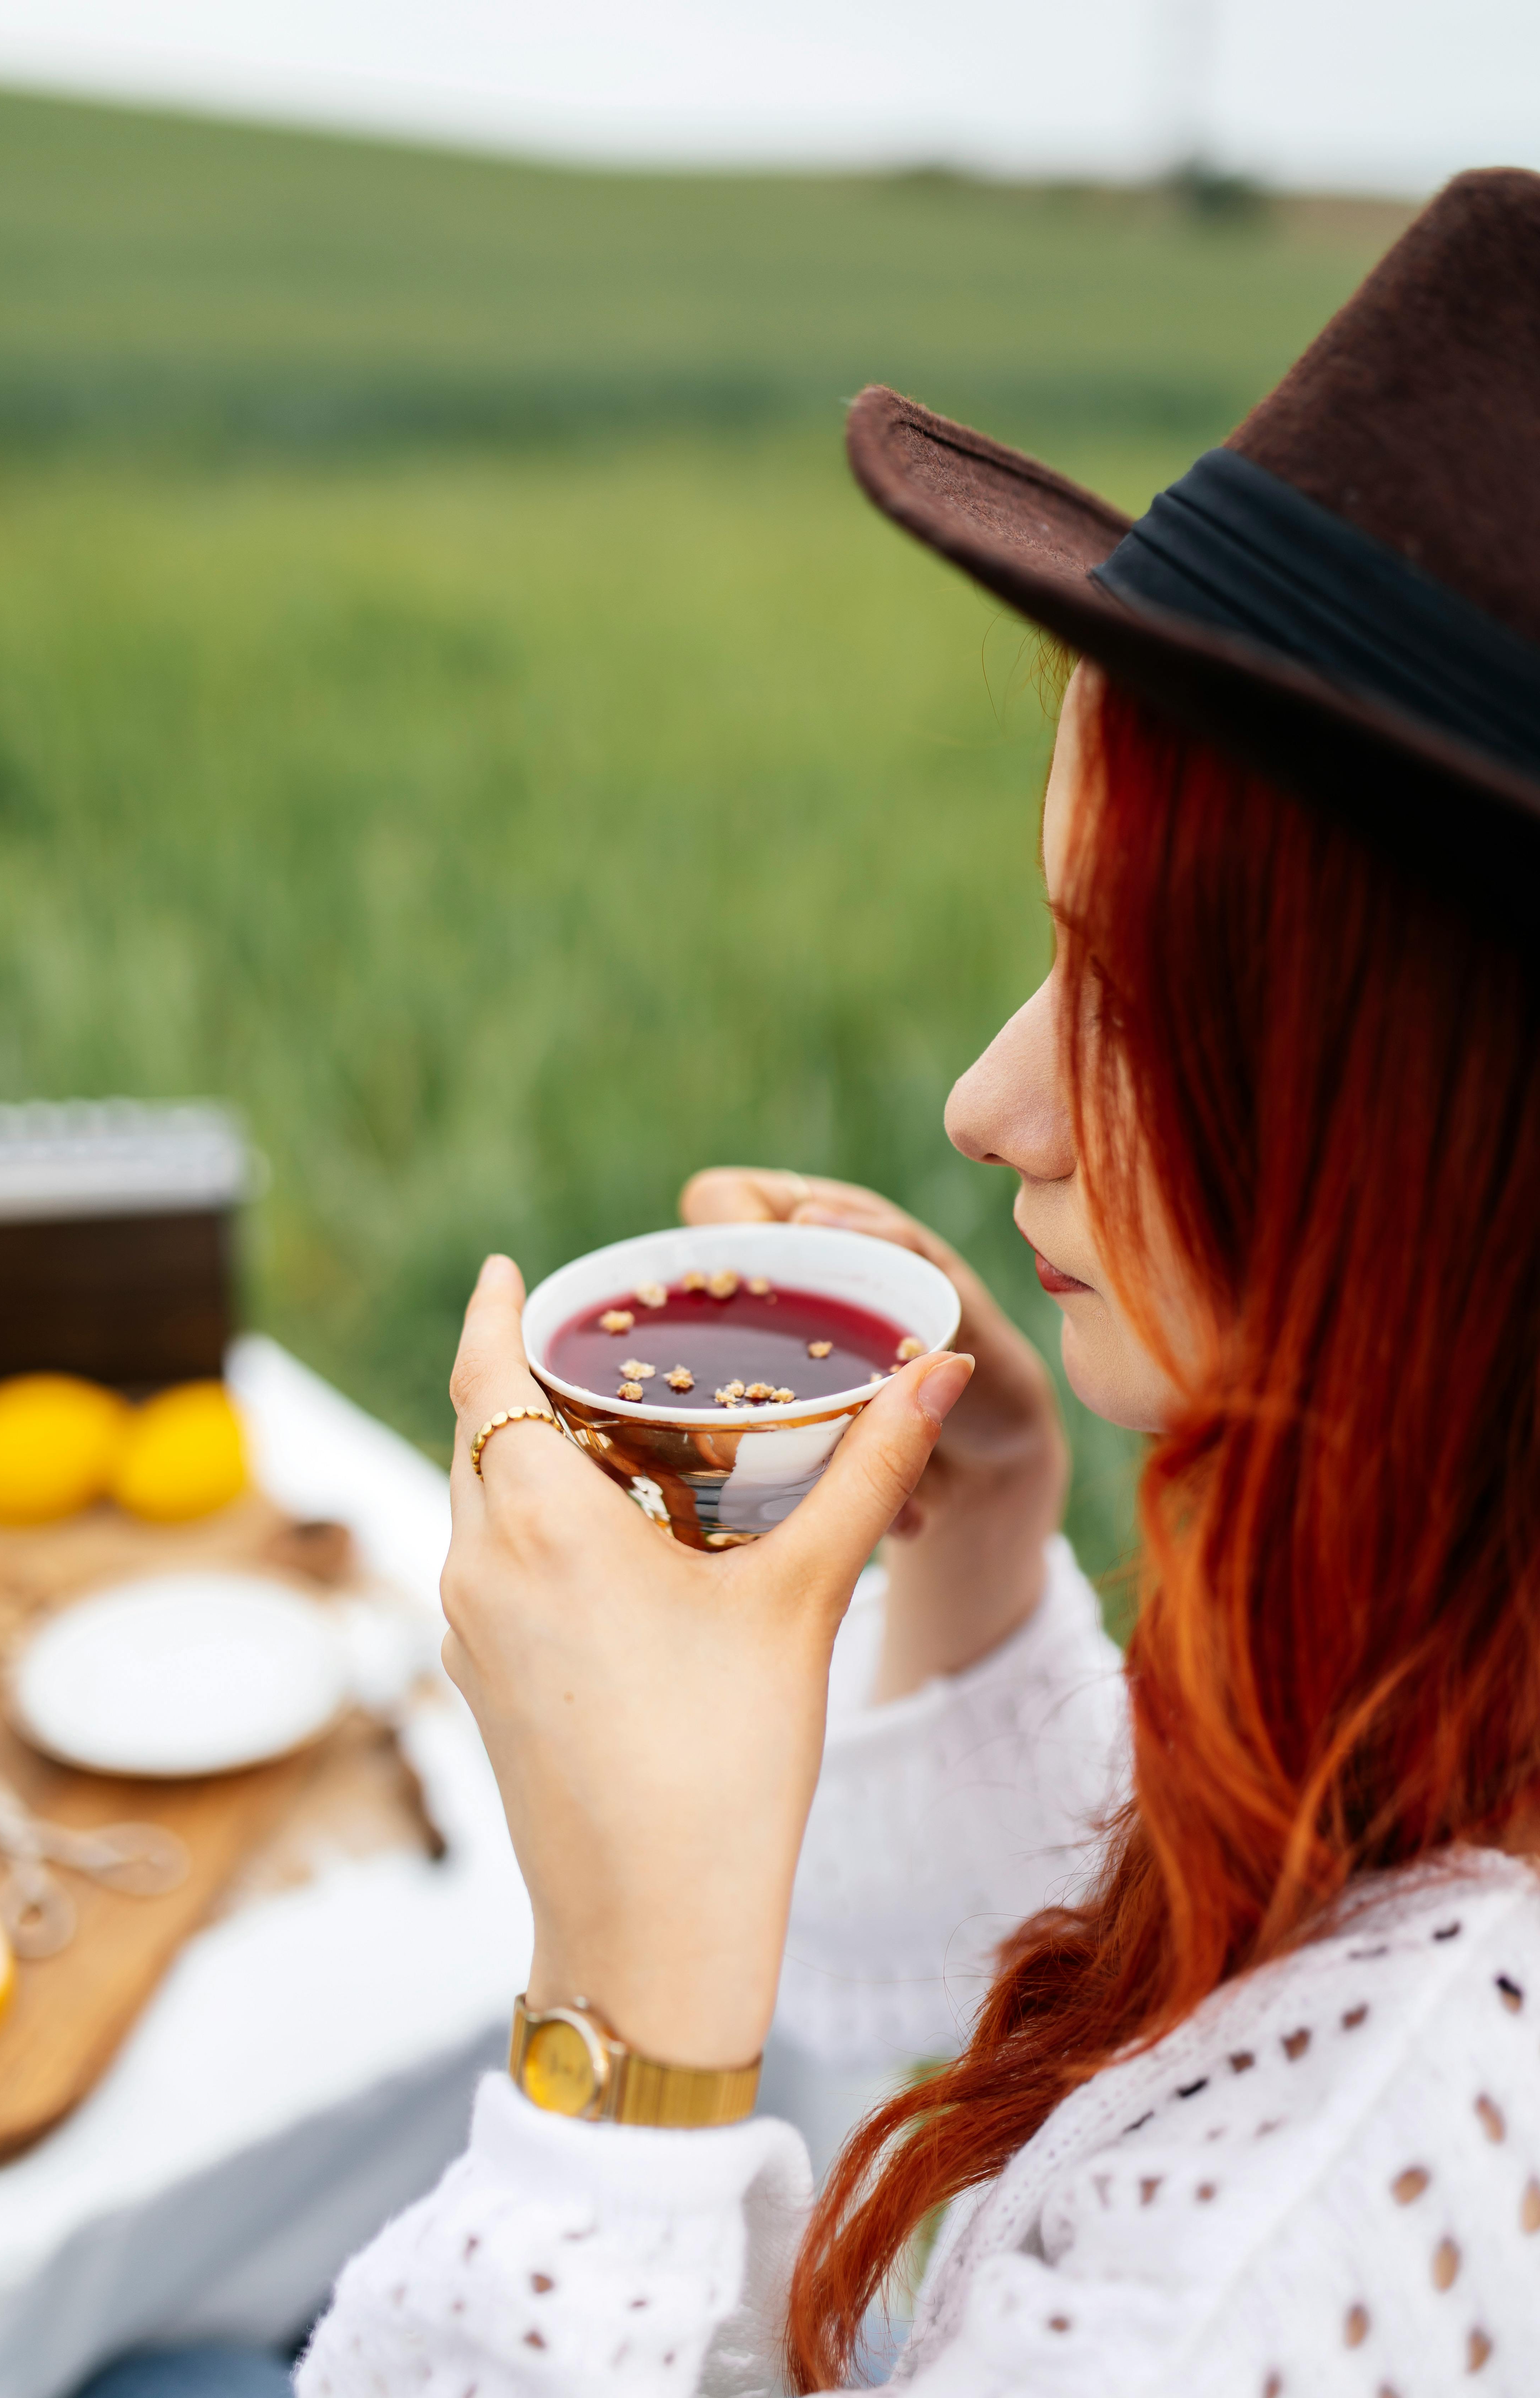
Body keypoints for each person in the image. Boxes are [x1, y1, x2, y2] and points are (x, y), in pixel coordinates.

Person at [295, 170, 1540, 2396]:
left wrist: (629, 2022)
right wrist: (972, 1590)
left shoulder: (1336, 2221)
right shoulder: (1442, 1709)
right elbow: (1128, 2108)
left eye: (1129, 1001)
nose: (985, 1107)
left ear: (1443, 1144)